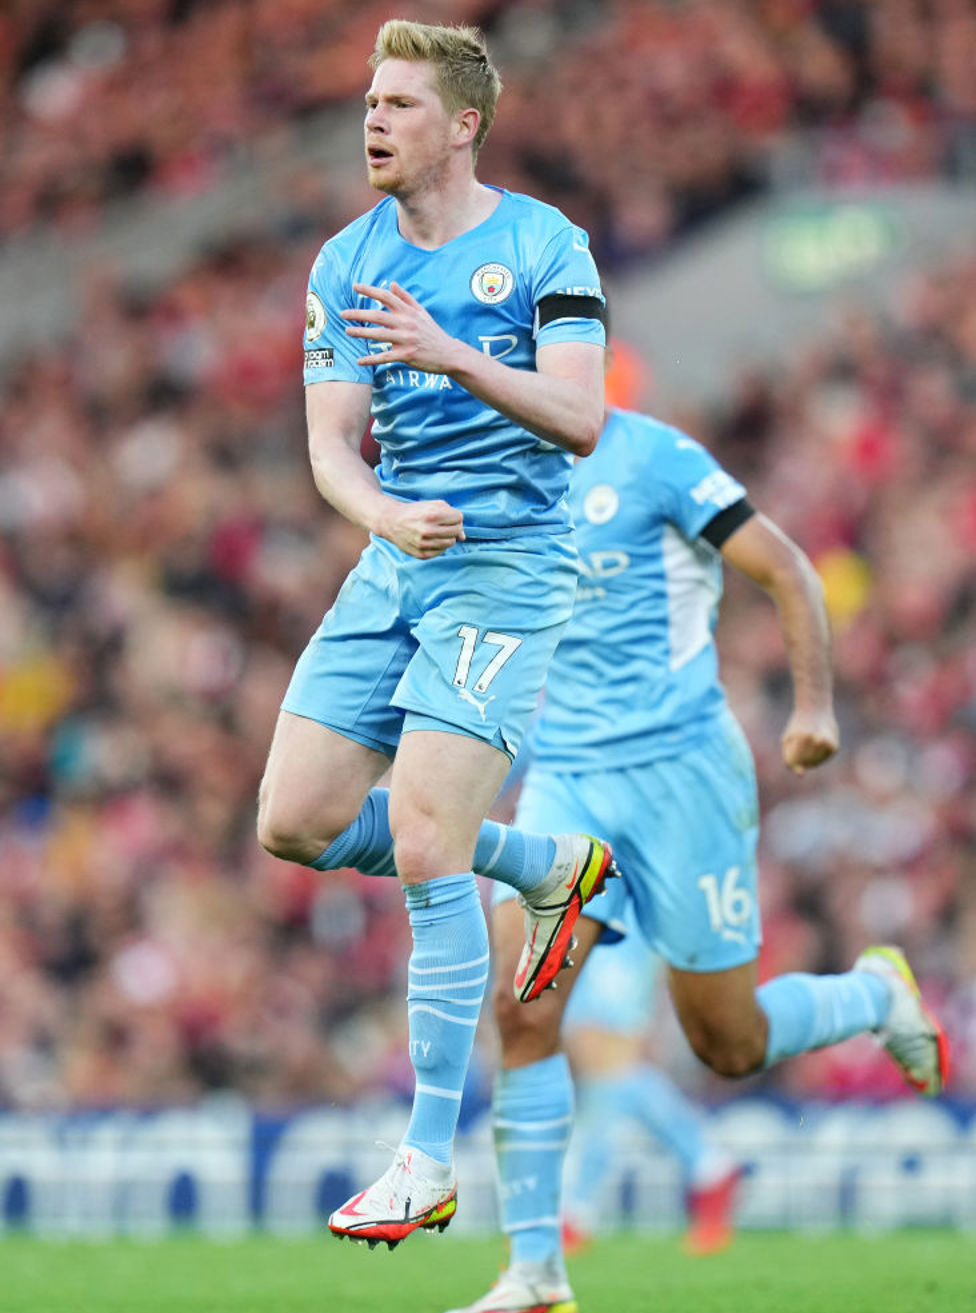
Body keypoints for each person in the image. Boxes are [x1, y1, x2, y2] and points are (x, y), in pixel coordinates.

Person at [439, 379, 950, 1313]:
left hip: (683, 777)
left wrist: (813, 707)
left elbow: (789, 570)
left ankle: (873, 995)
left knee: (728, 1042)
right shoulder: (499, 482)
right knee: (522, 1005)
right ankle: (537, 1268)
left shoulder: (657, 459)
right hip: (571, 782)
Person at [255, 19, 615, 1250]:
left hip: (509, 567)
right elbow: (326, 448)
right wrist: (383, 512)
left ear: (462, 124)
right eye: (369, 100)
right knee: (290, 820)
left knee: (419, 839)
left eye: (400, 104)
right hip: (398, 553)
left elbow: (580, 418)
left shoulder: (544, 245)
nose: (373, 120)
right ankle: (541, 866)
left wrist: (453, 354)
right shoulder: (343, 260)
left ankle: (423, 1157)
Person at [559, 932, 741, 1260]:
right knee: (607, 1074)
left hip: (614, 926)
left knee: (606, 1063)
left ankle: (577, 1210)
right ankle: (708, 1163)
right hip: (583, 926)